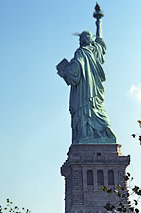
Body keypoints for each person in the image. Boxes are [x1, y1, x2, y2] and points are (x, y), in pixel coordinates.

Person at [57, 7, 116, 144]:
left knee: (94, 109)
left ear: (90, 39)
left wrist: (99, 22)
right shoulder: (82, 52)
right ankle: (86, 134)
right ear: (82, 40)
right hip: (84, 88)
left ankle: (102, 132)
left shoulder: (92, 51)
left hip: (92, 88)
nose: (86, 38)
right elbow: (76, 68)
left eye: (88, 36)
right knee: (86, 111)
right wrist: (67, 71)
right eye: (84, 36)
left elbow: (100, 39)